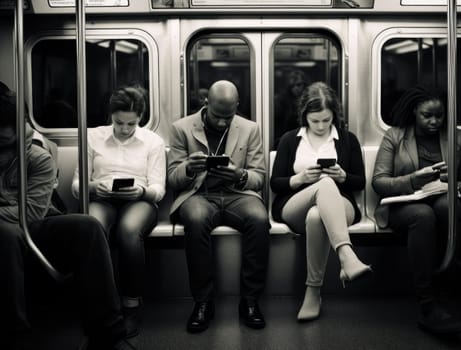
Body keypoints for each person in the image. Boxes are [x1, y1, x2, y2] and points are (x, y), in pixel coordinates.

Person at [0, 87, 134, 350]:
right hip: (8, 231)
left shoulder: (36, 156)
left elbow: (31, 212)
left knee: (88, 226)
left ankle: (107, 332)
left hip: (30, 223)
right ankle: (17, 335)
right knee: (6, 234)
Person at [372, 85, 461, 335]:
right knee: (423, 215)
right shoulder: (395, 136)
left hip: (444, 198)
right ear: (414, 113)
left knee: (445, 208)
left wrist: (451, 184)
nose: (434, 121)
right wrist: (413, 179)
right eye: (427, 116)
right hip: (405, 204)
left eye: (439, 116)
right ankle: (428, 303)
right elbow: (379, 181)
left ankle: (443, 288)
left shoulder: (457, 137)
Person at [167, 80, 270, 333]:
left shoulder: (250, 128)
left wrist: (240, 175)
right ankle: (203, 302)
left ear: (237, 106)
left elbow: (259, 176)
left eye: (229, 116)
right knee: (197, 219)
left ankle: (250, 300)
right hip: (198, 194)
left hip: (237, 194)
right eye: (217, 116)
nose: (223, 122)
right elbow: (172, 178)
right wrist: (189, 168)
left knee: (258, 218)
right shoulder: (181, 128)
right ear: (206, 103)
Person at [271, 82, 371, 322]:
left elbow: (359, 182)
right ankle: (346, 256)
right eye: (315, 120)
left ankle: (313, 292)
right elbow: (276, 183)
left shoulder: (347, 140)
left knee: (317, 215)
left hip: (339, 204)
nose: (321, 126)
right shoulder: (289, 140)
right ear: (304, 116)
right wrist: (300, 178)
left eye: (326, 120)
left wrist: (344, 176)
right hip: (294, 202)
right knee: (324, 185)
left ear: (334, 115)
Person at [72, 85, 166, 337]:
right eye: (119, 122)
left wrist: (141, 192)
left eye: (131, 124)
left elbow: (158, 187)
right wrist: (94, 188)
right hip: (102, 197)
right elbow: (76, 186)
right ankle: (100, 305)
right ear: (110, 116)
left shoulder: (153, 142)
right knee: (92, 227)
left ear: (140, 119)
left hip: (139, 200)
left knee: (128, 231)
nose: (124, 130)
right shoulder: (92, 137)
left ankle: (131, 305)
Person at [274, 70, 309, 148]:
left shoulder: (310, 100)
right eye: (292, 86)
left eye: (299, 85)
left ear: (304, 84)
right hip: (287, 138)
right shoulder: (282, 101)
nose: (295, 88)